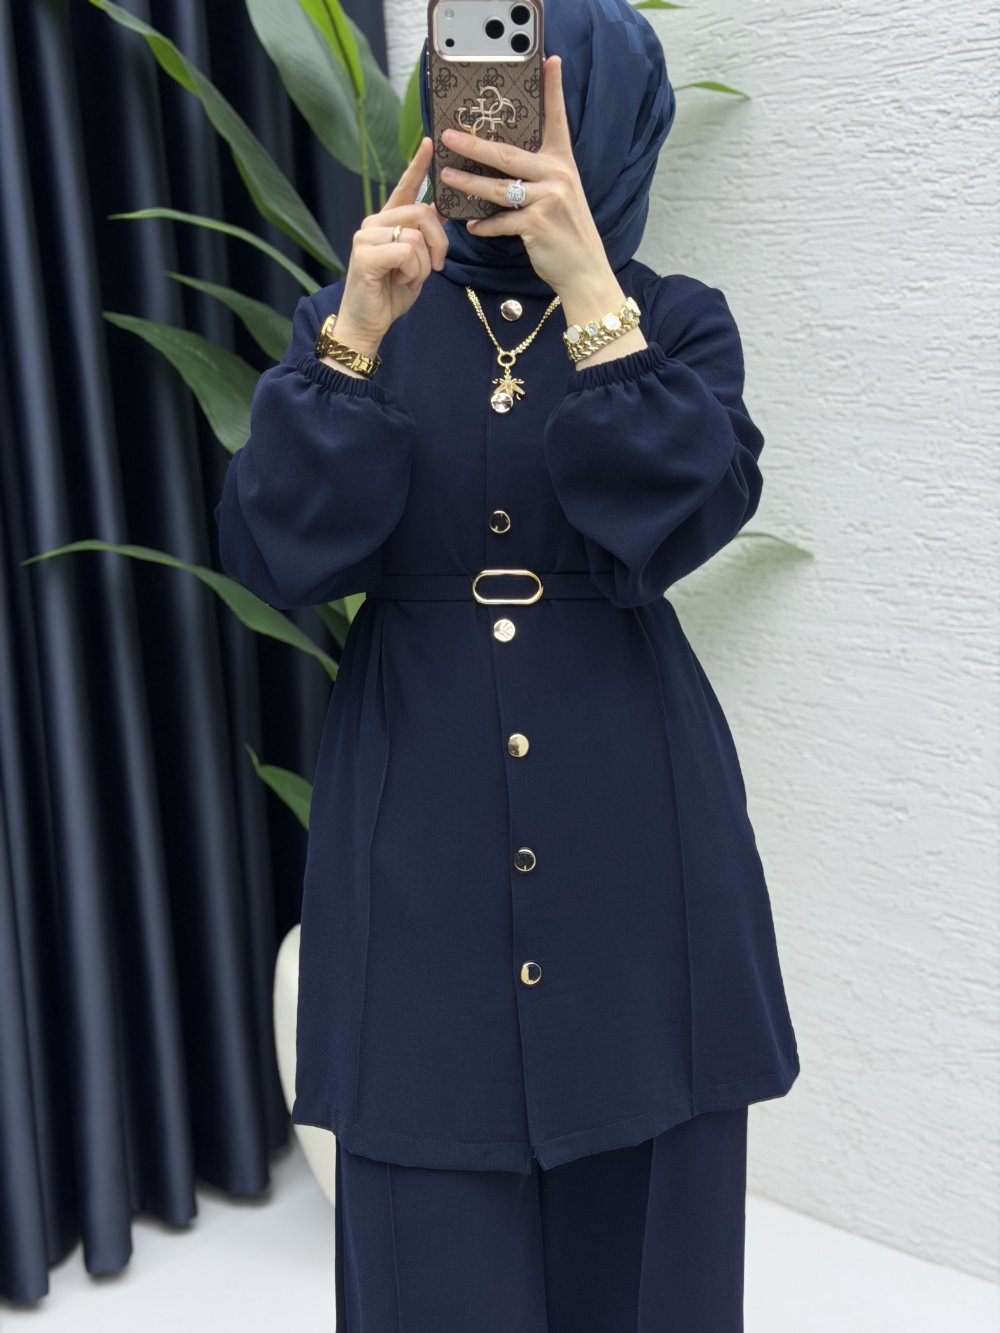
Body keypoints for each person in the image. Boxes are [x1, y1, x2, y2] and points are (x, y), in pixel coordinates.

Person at [214, 1, 800, 1326]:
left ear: (607, 118)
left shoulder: (671, 322)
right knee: (428, 1224)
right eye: (469, 82)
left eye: (538, 95)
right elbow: (273, 553)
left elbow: (686, 518)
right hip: (414, 818)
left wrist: (590, 293)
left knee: (645, 1218)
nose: (495, 124)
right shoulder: (365, 308)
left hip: (631, 818)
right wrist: (354, 336)